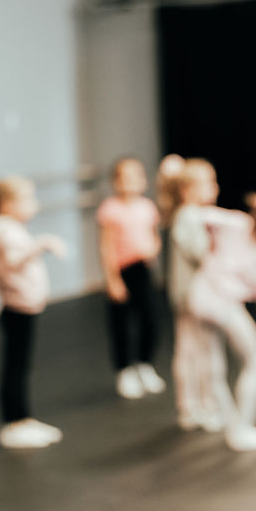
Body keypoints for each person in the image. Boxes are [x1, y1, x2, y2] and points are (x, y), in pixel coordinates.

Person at [188, 193, 256, 452]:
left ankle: (231, 421)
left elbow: (196, 214)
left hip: (199, 296)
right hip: (219, 303)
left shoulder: (237, 224)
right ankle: (240, 429)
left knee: (212, 363)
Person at [0, 177, 66, 449]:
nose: (34, 205)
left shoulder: (9, 228)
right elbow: (12, 263)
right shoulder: (3, 230)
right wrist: (41, 245)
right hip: (16, 308)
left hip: (23, 306)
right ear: (7, 204)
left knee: (20, 365)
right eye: (28, 199)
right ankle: (14, 422)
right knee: (16, 366)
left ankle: (23, 418)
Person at [158, 156, 227, 431]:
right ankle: (202, 406)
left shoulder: (191, 215)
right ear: (187, 190)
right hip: (193, 297)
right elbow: (202, 254)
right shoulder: (189, 217)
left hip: (192, 295)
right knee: (199, 351)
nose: (215, 187)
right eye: (208, 182)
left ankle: (196, 406)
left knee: (192, 350)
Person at [97, 157, 165, 399]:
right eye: (124, 177)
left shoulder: (148, 207)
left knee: (150, 319)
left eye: (135, 175)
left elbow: (154, 236)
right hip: (122, 270)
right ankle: (124, 369)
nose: (130, 181)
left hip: (143, 269)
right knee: (121, 323)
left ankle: (144, 364)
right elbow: (106, 247)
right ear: (115, 181)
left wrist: (153, 252)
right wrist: (113, 280)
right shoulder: (110, 209)